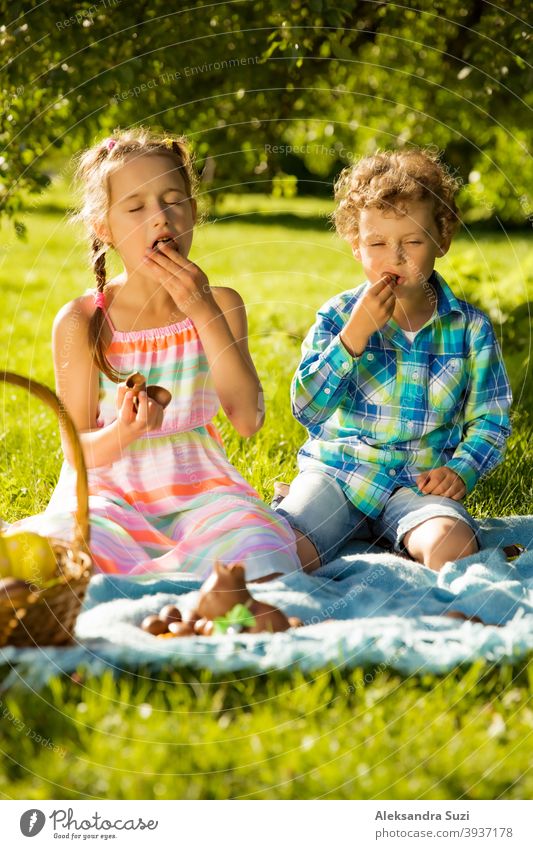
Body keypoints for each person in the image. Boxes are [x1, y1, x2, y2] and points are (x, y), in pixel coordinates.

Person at [11, 128, 299, 581]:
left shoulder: (222, 304)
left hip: (202, 492)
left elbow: (247, 419)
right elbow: (77, 451)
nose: (160, 218)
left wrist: (201, 309)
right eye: (136, 207)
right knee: (68, 557)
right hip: (109, 494)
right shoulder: (83, 320)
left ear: (193, 211)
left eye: (173, 200)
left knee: (258, 550)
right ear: (104, 227)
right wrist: (124, 431)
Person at [273, 148, 512, 573]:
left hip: (418, 483)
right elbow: (306, 408)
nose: (394, 257)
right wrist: (353, 339)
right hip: (337, 474)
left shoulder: (470, 329)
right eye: (377, 243)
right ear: (355, 246)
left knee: (453, 548)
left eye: (413, 241)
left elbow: (490, 420)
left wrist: (461, 470)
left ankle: (454, 609)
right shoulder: (339, 318)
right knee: (281, 549)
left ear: (442, 239)